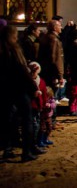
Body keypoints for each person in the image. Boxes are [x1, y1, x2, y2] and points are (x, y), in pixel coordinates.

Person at [0, 25, 44, 162]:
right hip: (18, 88)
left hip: (4, 89)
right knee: (27, 120)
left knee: (8, 120)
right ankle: (27, 150)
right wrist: (33, 88)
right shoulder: (14, 49)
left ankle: (7, 149)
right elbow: (22, 70)